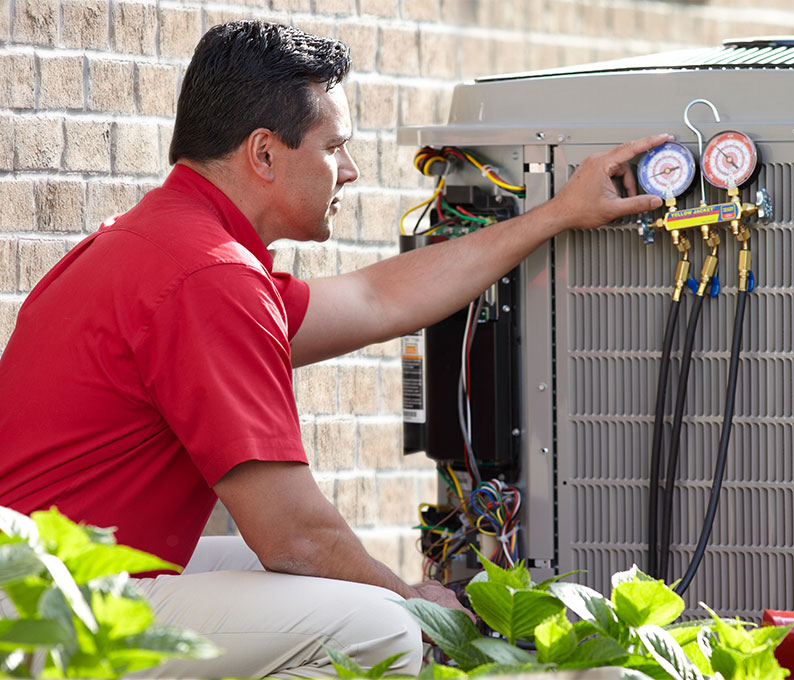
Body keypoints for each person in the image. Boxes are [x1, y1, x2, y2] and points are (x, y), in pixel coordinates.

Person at [0, 19, 669, 679]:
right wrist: (409, 598)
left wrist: (557, 213)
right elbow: (292, 534)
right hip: (38, 612)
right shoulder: (208, 279)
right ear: (264, 154)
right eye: (333, 148)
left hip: (51, 578)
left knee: (337, 595)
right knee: (376, 630)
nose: (349, 172)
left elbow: (380, 300)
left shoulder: (174, 245)